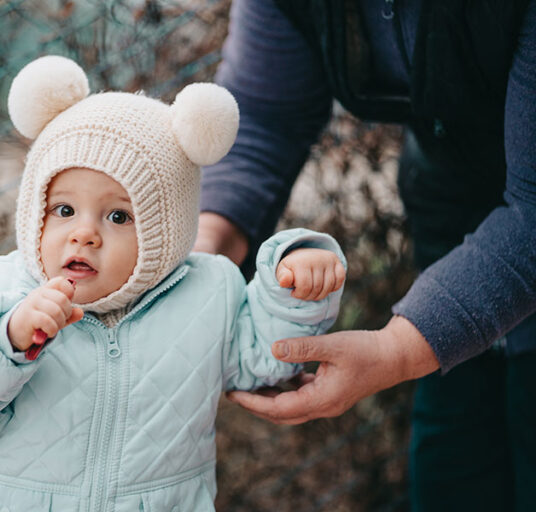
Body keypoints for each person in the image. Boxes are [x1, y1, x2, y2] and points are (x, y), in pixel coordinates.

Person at [0, 55, 347, 511]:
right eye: (64, 210)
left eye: (118, 216)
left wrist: (292, 289)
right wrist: (7, 335)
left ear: (165, 228)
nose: (84, 233)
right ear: (35, 211)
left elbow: (264, 366)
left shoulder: (210, 290)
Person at [194, 0, 536, 510]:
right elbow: (265, 117)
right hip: (452, 212)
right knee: (453, 473)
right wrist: (203, 250)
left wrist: (397, 351)